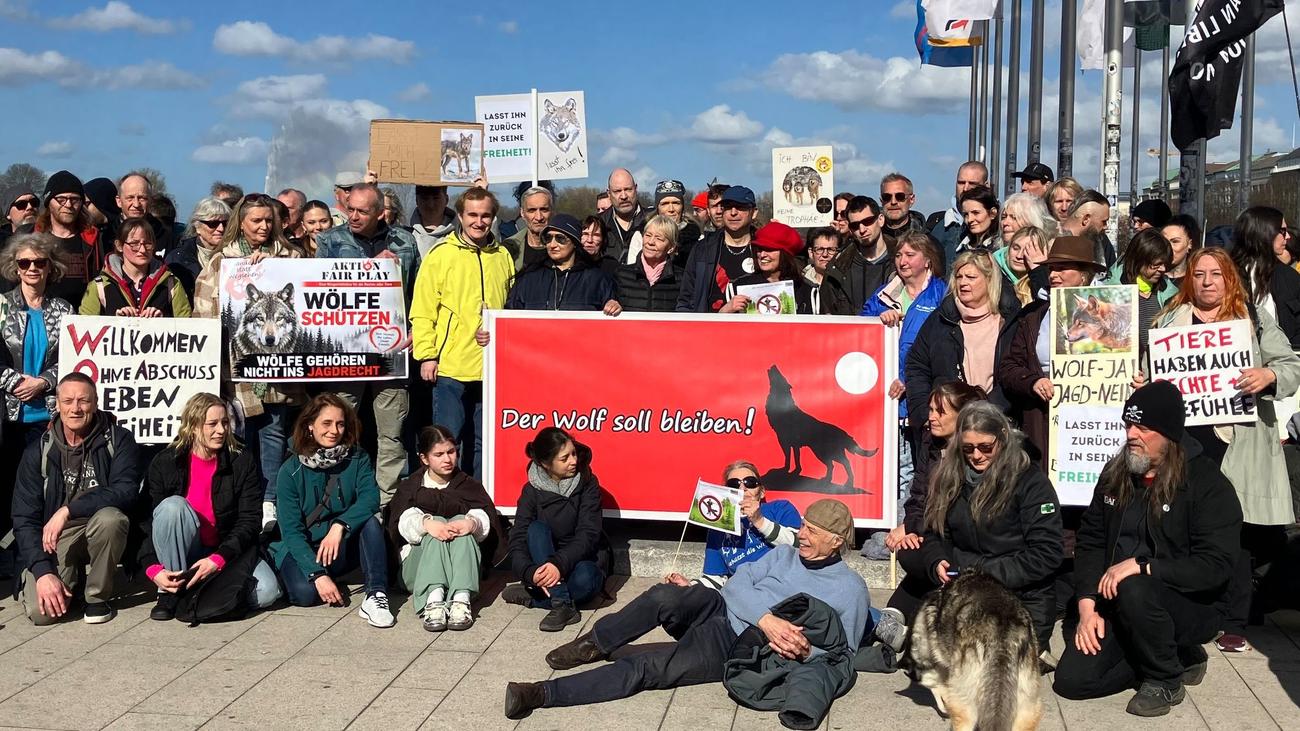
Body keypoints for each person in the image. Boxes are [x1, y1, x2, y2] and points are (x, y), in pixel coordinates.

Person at [504, 499, 868, 722]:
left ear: (836, 542)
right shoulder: (783, 554)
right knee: (664, 595)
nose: (801, 534)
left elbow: (841, 652)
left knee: (648, 667)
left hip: (737, 644)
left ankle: (540, 694)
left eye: (812, 531)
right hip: (725, 608)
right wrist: (767, 618)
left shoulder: (849, 589)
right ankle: (595, 643)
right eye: (803, 525)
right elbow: (739, 583)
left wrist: (798, 647)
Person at [1053, 382, 1242, 717]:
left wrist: (1144, 566)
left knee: (1136, 585)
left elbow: (1215, 565)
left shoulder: (1206, 482)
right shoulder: (1116, 474)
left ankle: (1165, 677)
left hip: (1188, 603)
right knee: (1071, 683)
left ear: (1169, 434)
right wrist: (1086, 607)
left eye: (1143, 427)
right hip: (1118, 601)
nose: (1131, 434)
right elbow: (1092, 541)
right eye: (1128, 424)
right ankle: (1173, 654)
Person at [1147, 246, 1300, 653]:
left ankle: (1235, 620)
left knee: (1235, 529)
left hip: (1237, 438)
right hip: (1185, 441)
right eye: (1199, 274)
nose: (1207, 282)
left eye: (1215, 274)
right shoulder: (1168, 321)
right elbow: (1152, 374)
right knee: (1183, 525)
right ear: (1188, 280)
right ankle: (1192, 609)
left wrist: (1267, 374)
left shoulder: (1252, 320)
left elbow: (1290, 366)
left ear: (1229, 277)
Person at [895, 401, 1063, 654]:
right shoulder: (948, 478)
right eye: (968, 448)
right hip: (965, 591)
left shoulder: (1031, 483)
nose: (976, 455)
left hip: (1019, 596)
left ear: (1003, 438)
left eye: (986, 447)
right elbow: (933, 532)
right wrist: (937, 559)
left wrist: (977, 571)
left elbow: (1046, 554)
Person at [193, 193, 305, 529]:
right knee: (237, 439)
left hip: (280, 371)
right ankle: (239, 509)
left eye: (268, 220)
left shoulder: (293, 257)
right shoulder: (221, 261)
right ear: (241, 222)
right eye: (256, 220)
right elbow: (204, 310)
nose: (263, 226)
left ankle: (270, 506)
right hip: (236, 371)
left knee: (274, 435)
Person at [313, 182, 417, 502]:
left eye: (362, 211)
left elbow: (417, 293)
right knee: (337, 427)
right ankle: (338, 495)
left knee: (392, 433)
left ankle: (388, 502)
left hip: (392, 350)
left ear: (380, 212)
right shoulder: (330, 241)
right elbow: (316, 291)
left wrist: (415, 330)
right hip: (346, 353)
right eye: (350, 209)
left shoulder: (405, 241)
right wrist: (369, 269)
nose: (353, 216)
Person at [12, 373, 141, 624]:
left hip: (98, 525)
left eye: (83, 401)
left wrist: (68, 510)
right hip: (55, 538)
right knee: (44, 615)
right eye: (68, 400)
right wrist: (42, 572)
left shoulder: (118, 439)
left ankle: (96, 597)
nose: (75, 408)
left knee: (111, 519)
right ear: (57, 404)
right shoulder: (38, 450)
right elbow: (24, 517)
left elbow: (126, 490)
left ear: (95, 403)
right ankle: (71, 579)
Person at [140, 393, 282, 621]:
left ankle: (200, 591)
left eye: (225, 422)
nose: (221, 430)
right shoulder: (166, 462)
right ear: (194, 427)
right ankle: (171, 591)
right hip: (185, 550)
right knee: (171, 508)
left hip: (226, 549)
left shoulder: (241, 460)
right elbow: (146, 522)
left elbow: (249, 520)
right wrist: (152, 568)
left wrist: (218, 559)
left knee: (267, 592)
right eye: (212, 424)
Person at [410, 187, 513, 480]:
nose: (479, 222)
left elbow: (507, 308)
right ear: (460, 216)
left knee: (484, 442)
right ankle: (442, 500)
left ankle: (477, 501)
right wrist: (427, 355)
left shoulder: (502, 256)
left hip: (490, 366)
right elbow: (423, 309)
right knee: (447, 442)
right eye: (472, 215)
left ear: (493, 218)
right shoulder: (440, 254)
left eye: (485, 216)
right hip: (450, 365)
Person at [268, 394, 395, 627]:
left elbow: (370, 498)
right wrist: (317, 574)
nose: (334, 431)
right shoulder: (290, 470)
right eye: (326, 423)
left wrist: (340, 525)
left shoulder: (357, 457)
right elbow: (292, 532)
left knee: (370, 523)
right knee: (305, 594)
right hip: (304, 546)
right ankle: (321, 575)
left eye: (340, 423)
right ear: (310, 426)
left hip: (341, 541)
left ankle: (376, 594)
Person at [860, 231, 948, 545]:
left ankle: (909, 529)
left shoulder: (940, 294)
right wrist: (876, 320)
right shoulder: (886, 293)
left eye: (910, 255)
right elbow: (859, 334)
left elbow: (943, 347)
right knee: (894, 467)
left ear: (928, 260)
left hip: (922, 396)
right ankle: (890, 529)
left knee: (916, 467)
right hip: (887, 399)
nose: (902, 261)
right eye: (899, 255)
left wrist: (914, 383)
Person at [386, 424, 508, 632]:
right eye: (439, 454)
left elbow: (484, 517)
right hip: (417, 570)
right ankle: (433, 600)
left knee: (462, 520)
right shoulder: (411, 488)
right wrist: (427, 524)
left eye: (451, 452)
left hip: (461, 570)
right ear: (424, 458)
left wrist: (470, 524)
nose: (447, 459)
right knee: (436, 526)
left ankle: (461, 598)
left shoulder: (469, 486)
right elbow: (402, 524)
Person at [1000, 236, 1109, 464]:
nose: (1052, 275)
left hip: (1095, 424)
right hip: (1044, 420)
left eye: (1062, 269)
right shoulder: (1033, 315)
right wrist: (1032, 382)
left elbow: (1126, 364)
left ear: (1084, 275)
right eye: (1051, 269)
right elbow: (1009, 367)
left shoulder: (1110, 312)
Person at [904, 250, 1020, 449]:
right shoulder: (940, 320)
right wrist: (925, 414)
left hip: (997, 426)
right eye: (959, 277)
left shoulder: (1010, 321)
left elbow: (1017, 371)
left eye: (971, 277)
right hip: (945, 434)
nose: (963, 283)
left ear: (989, 280)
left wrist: (988, 413)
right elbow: (917, 366)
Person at [0, 233, 75, 537]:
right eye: (24, 262)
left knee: (43, 487)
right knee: (6, 485)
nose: (32, 268)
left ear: (49, 267)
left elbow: (74, 358)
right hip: (7, 415)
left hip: (47, 415)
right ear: (15, 267)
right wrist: (17, 381)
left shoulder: (64, 310)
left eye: (39, 262)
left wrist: (44, 382)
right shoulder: (1, 307)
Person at [501, 427, 612, 631]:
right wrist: (529, 572)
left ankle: (536, 597)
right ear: (545, 464)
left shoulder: (588, 483)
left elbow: (589, 534)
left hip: (578, 558)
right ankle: (561, 602)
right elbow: (518, 537)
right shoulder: (531, 490)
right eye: (564, 458)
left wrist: (557, 565)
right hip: (543, 558)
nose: (573, 461)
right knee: (535, 529)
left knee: (588, 580)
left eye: (574, 453)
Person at [663, 461, 801, 591]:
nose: (743, 488)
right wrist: (690, 585)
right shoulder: (718, 527)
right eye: (734, 484)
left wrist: (760, 521)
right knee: (661, 594)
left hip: (784, 583)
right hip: (747, 591)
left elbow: (799, 545)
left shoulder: (780, 508)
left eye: (750, 482)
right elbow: (715, 580)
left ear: (762, 491)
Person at [886, 382, 988, 553]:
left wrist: (913, 527)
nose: (932, 417)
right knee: (907, 550)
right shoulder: (930, 442)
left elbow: (956, 513)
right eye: (931, 410)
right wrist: (911, 530)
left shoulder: (976, 454)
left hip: (964, 537)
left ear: (963, 415)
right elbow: (918, 496)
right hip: (930, 529)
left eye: (940, 412)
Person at [506, 214, 620, 313]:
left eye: (560, 238)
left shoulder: (597, 279)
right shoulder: (528, 279)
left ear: (575, 242)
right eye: (548, 238)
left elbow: (611, 325)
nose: (552, 244)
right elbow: (509, 318)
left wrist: (613, 306)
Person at [79, 217, 190, 318]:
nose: (142, 250)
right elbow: (83, 329)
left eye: (147, 243)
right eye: (134, 244)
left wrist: (162, 321)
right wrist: (115, 321)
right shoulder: (99, 286)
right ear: (119, 245)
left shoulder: (172, 283)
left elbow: (186, 327)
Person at [677, 186, 758, 313]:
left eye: (740, 207)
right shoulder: (702, 249)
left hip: (757, 329)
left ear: (753, 213)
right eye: (727, 207)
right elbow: (686, 300)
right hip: (710, 330)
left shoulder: (766, 249)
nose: (733, 212)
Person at [1230, 206, 1300, 348]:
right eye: (1282, 231)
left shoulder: (1290, 277)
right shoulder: (1226, 275)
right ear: (1264, 232)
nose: (1288, 236)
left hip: (1282, 363)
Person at [33, 170, 105, 305]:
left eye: (74, 199)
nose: (68, 205)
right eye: (61, 199)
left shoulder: (95, 240)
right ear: (49, 202)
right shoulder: (34, 239)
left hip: (84, 318)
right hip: (43, 314)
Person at [720, 221, 817, 315]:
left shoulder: (807, 290)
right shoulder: (736, 287)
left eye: (769, 249)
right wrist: (726, 311)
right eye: (759, 249)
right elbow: (718, 328)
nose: (762, 255)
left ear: (785, 254)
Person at [1107, 228, 1175, 358]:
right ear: (1139, 260)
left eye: (1165, 264)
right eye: (1156, 264)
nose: (1163, 269)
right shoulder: (1111, 293)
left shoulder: (1169, 294)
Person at [820, 196, 893, 315]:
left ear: (880, 220)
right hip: (850, 333)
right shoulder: (837, 267)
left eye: (867, 221)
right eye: (855, 225)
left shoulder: (903, 260)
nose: (862, 229)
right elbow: (827, 315)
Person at [614, 213, 685, 312]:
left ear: (671, 248)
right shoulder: (622, 274)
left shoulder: (682, 279)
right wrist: (612, 303)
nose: (651, 242)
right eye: (648, 235)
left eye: (659, 238)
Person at [926, 161, 989, 267]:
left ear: (986, 185)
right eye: (961, 183)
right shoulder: (939, 228)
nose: (965, 188)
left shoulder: (1001, 224)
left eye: (972, 183)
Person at [166, 197, 230, 301]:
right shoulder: (177, 258)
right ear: (197, 226)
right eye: (213, 224)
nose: (221, 229)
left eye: (225, 223)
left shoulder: (237, 256)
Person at [601, 168, 650, 265]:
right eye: (617, 191)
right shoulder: (600, 224)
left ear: (636, 189)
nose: (623, 196)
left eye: (628, 189)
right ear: (609, 194)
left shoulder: (653, 221)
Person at [1060, 189, 1116, 270]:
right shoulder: (1050, 243)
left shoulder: (1102, 242)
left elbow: (1112, 277)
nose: (1106, 227)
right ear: (1086, 219)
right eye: (1103, 222)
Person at [999, 226, 1051, 305]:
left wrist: (1038, 269)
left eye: (1027, 251)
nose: (1019, 256)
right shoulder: (993, 274)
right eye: (1016, 248)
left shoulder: (1050, 278)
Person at [506, 185, 554, 271]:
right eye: (532, 210)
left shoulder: (565, 246)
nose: (539, 217)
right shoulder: (509, 248)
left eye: (544, 209)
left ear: (552, 211)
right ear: (522, 213)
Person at [653, 179, 700, 264]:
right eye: (665, 204)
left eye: (676, 203)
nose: (671, 209)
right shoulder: (642, 235)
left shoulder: (697, 237)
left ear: (682, 207)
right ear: (657, 208)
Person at [879, 173, 927, 249]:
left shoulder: (928, 241)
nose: (893, 202)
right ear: (881, 201)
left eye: (900, 196)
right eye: (887, 197)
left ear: (911, 200)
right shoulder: (871, 239)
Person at [410, 185, 455, 258]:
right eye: (425, 198)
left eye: (436, 198)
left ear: (446, 199)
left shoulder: (461, 235)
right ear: (417, 201)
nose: (430, 205)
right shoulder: (405, 237)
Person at [1161, 214, 1202, 290]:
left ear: (1190, 244)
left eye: (1175, 241)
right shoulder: (1152, 279)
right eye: (1164, 241)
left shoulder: (1198, 281)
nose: (1168, 247)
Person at [955, 185, 1001, 253]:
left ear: (992, 213)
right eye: (966, 214)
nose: (970, 219)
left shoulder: (999, 249)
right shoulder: (960, 245)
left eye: (976, 213)